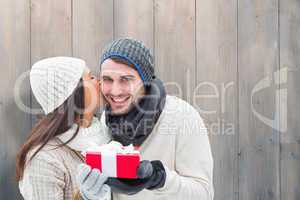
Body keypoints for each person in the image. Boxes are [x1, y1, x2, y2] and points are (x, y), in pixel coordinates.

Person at [77, 38, 214, 200]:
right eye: (107, 80)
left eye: (125, 80)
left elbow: (203, 194)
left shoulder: (182, 116)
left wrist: (160, 179)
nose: (115, 91)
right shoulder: (108, 118)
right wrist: (93, 194)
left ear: (145, 81)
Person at [16, 57, 111, 200]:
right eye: (90, 77)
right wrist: (83, 197)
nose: (99, 80)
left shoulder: (107, 134)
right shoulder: (44, 159)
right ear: (73, 94)